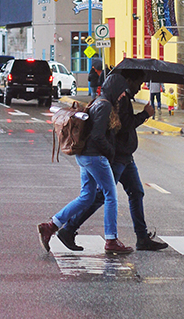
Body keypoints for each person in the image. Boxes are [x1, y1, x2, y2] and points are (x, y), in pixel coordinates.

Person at [41, 72, 168, 253]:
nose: (137, 88)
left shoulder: (112, 101)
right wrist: (143, 116)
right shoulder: (110, 104)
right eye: (137, 83)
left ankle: (54, 226)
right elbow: (105, 132)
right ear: (122, 86)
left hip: (122, 156)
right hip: (110, 157)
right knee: (106, 196)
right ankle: (106, 239)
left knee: (122, 193)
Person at [37, 82, 132, 255]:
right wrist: (110, 152)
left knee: (87, 196)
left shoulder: (97, 102)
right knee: (110, 195)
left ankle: (51, 226)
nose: (123, 96)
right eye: (121, 92)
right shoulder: (104, 106)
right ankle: (111, 239)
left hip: (85, 156)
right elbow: (97, 135)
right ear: (114, 90)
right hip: (95, 157)